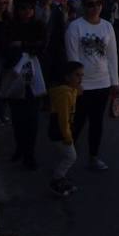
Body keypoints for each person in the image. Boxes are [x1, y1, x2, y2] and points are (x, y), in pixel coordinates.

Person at [65, 0, 118, 171]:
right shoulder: (75, 27)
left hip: (102, 83)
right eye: (90, 4)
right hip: (83, 85)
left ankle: (93, 157)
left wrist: (115, 82)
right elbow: (72, 58)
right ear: (84, 6)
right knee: (77, 123)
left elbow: (112, 56)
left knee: (97, 123)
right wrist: (76, 84)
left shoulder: (107, 27)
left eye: (98, 4)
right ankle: (67, 158)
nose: (95, 7)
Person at [3, 0, 48, 170]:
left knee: (32, 118)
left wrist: (21, 44)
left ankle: (30, 153)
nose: (26, 12)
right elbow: (6, 47)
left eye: (29, 8)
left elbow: (41, 46)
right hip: (15, 76)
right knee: (17, 117)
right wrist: (27, 46)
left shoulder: (39, 26)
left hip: (34, 76)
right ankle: (19, 148)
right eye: (22, 8)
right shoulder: (11, 26)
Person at [48, 61, 84, 197]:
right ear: (67, 77)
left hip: (63, 130)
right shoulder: (64, 94)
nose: (80, 79)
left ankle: (61, 178)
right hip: (59, 132)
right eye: (77, 75)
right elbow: (63, 118)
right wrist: (67, 136)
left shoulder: (71, 91)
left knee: (66, 156)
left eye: (82, 76)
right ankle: (57, 179)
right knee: (71, 157)